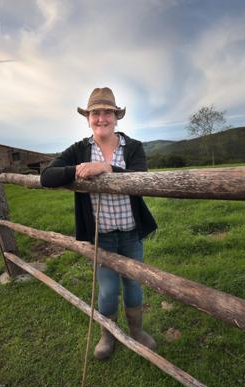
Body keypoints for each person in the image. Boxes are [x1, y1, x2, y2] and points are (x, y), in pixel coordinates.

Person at [40, 87, 158, 360]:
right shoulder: (80, 149)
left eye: (107, 112)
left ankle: (137, 331)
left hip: (130, 233)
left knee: (133, 284)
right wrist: (79, 170)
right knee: (106, 289)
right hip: (101, 235)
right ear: (88, 118)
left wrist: (106, 168)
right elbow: (47, 176)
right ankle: (108, 335)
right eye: (95, 112)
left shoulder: (134, 147)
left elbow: (140, 178)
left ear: (117, 117)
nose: (101, 117)